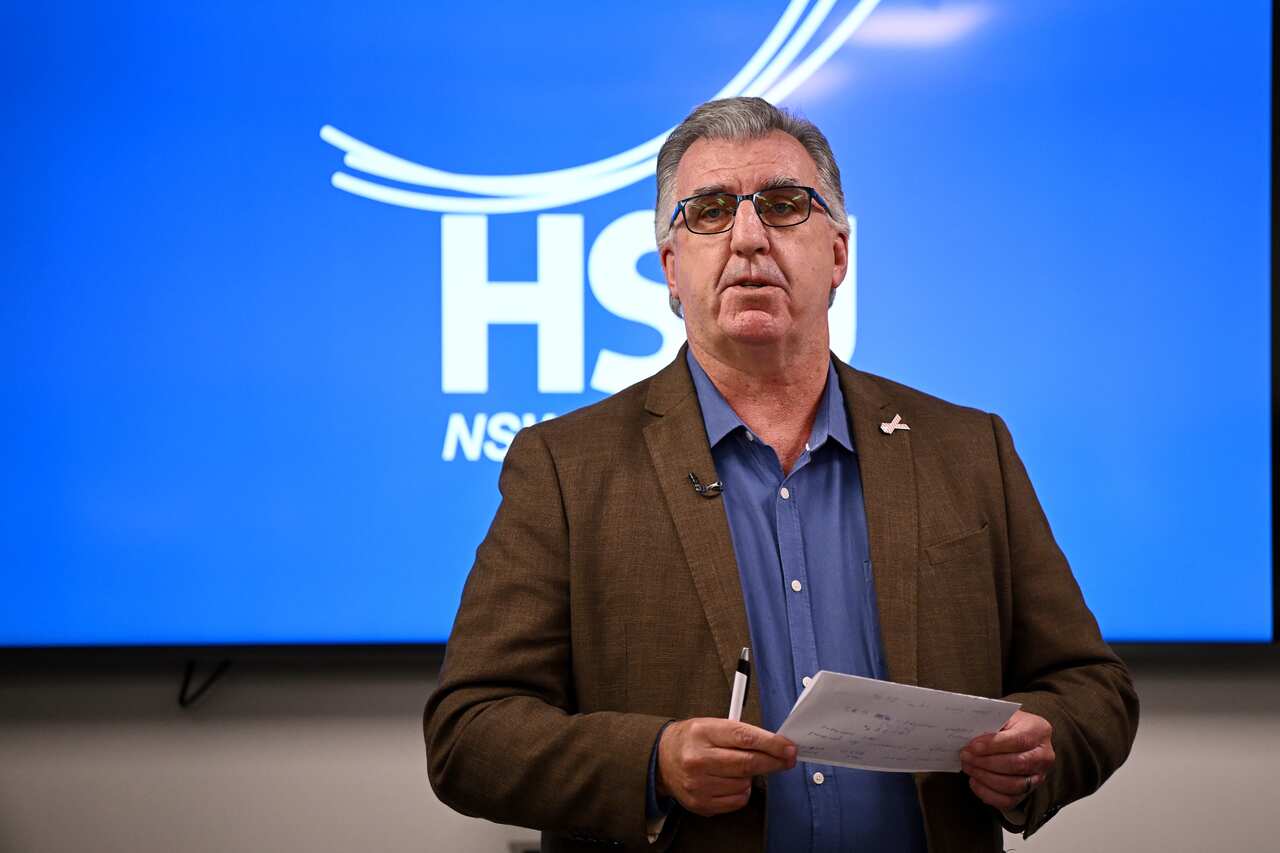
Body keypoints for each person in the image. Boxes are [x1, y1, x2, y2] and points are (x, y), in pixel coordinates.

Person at [424, 97, 1138, 853]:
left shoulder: (968, 448)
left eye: (784, 204)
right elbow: (469, 730)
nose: (748, 237)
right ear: (671, 269)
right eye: (707, 212)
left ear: (838, 253)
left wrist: (1038, 745)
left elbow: (1092, 687)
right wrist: (653, 761)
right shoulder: (567, 467)